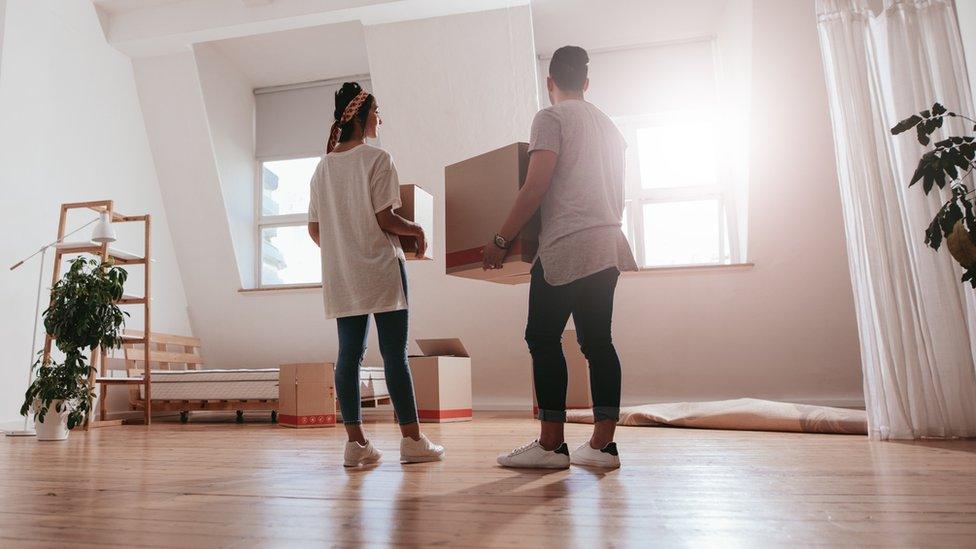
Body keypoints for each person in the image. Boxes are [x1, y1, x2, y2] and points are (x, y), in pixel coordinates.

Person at [486, 46, 638, 469]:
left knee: (542, 338)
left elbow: (535, 187)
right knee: (597, 342)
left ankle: (551, 445)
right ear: (586, 84)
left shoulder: (549, 118)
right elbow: (619, 195)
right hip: (608, 243)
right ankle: (603, 447)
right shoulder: (610, 127)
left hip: (567, 245)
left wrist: (501, 239)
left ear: (549, 82)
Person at [307, 82, 444, 467]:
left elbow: (316, 230)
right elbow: (386, 218)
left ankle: (356, 444)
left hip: (344, 276)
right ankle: (413, 441)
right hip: (383, 270)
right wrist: (417, 231)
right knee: (394, 355)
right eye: (377, 110)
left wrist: (345, 250)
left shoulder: (322, 168)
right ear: (363, 115)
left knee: (348, 355)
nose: (380, 118)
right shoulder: (377, 159)